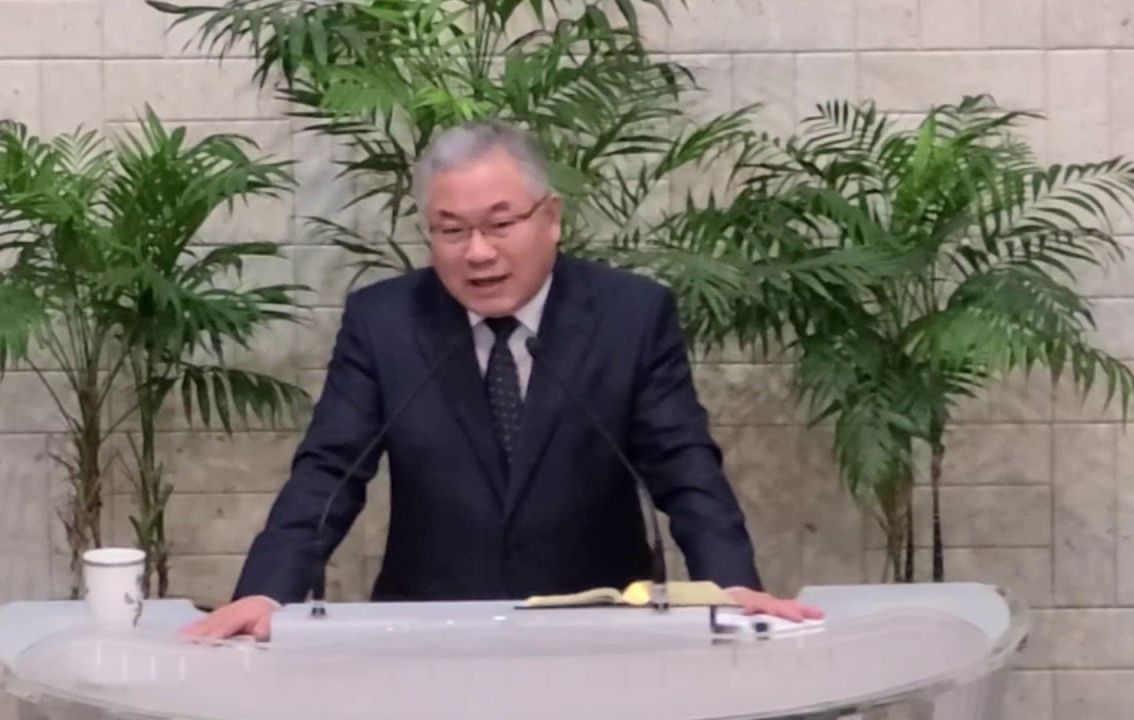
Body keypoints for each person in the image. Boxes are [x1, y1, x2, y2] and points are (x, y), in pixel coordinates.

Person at [183, 120, 822, 641]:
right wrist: (266, 591)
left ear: (551, 217)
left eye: (499, 224)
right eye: (452, 230)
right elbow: (328, 473)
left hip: (599, 630)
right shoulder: (384, 323)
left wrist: (731, 586)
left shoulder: (630, 316)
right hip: (428, 635)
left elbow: (685, 469)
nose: (478, 252)